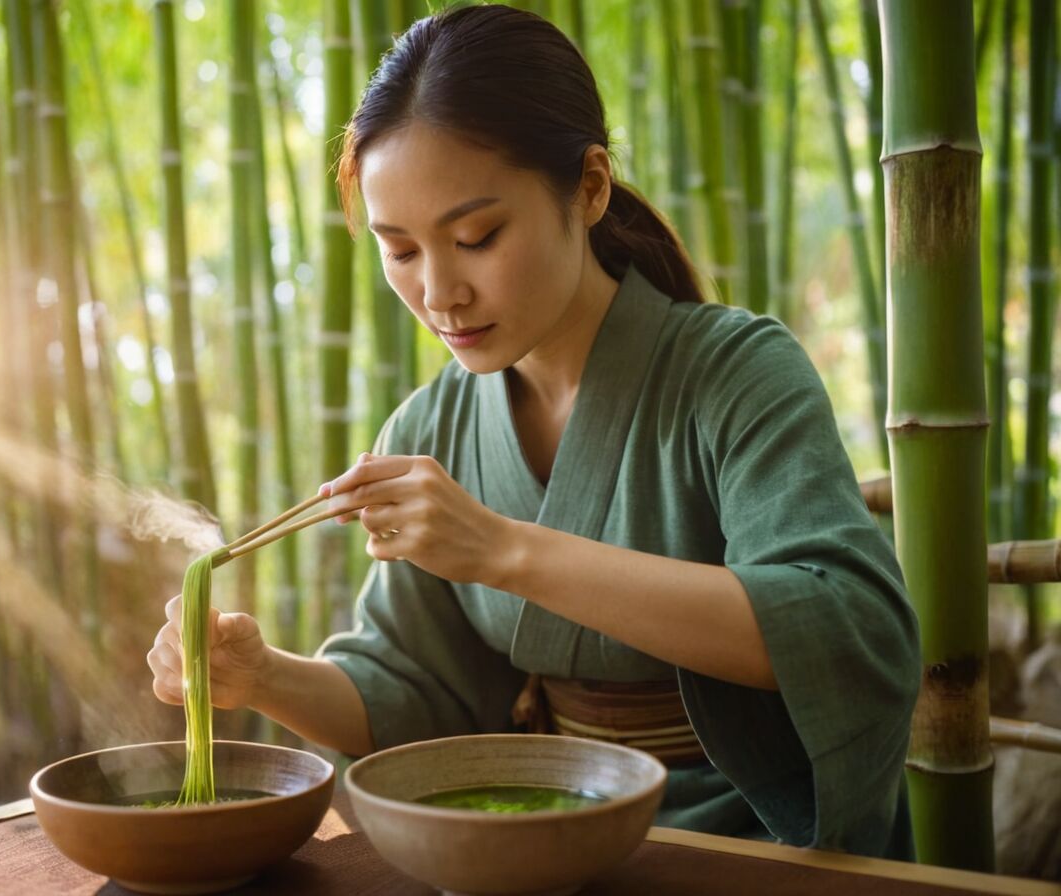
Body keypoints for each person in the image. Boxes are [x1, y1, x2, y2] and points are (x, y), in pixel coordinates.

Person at [147, 2, 920, 859]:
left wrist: (504, 551)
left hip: (753, 848)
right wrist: (262, 677)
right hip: (532, 846)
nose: (439, 292)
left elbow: (849, 627)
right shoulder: (429, 425)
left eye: (476, 236)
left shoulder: (736, 374)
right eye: (400, 250)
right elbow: (409, 695)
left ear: (588, 188)